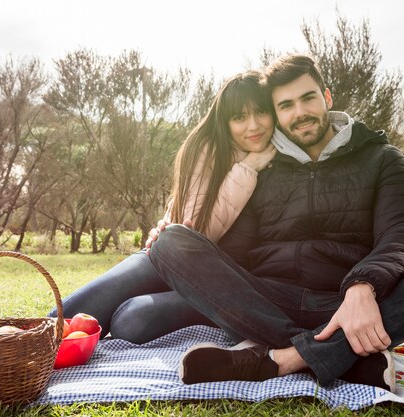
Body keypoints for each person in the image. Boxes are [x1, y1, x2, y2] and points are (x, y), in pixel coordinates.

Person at [148, 54, 404, 391]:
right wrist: (193, 257)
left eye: (308, 98)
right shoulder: (264, 167)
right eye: (286, 105)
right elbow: (237, 251)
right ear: (277, 114)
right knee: (170, 242)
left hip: (347, 305)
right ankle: (340, 356)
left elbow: (402, 238)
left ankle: (284, 359)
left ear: (327, 97)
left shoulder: (382, 158)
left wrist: (362, 286)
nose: (300, 112)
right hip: (266, 305)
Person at [50, 71, 276, 343]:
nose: (253, 126)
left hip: (215, 281)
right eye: (239, 117)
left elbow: (195, 240)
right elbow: (193, 230)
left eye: (260, 112)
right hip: (167, 261)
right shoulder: (209, 150)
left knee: (130, 321)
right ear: (225, 122)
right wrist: (247, 168)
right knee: (67, 316)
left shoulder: (281, 161)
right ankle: (22, 348)